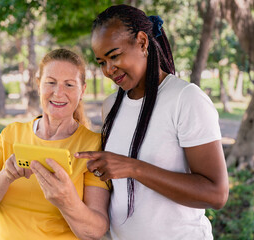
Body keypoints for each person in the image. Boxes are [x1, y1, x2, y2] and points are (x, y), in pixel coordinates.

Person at [75, 4, 229, 240]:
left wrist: (133, 168)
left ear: (143, 42)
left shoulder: (185, 99)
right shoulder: (111, 105)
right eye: (101, 62)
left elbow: (216, 194)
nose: (108, 69)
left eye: (114, 56)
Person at [0, 49, 110, 240]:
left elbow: (95, 231)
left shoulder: (93, 145)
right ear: (38, 85)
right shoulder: (11, 134)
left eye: (69, 84)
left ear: (82, 90)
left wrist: (67, 201)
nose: (58, 92)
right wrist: (6, 176)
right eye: (50, 82)